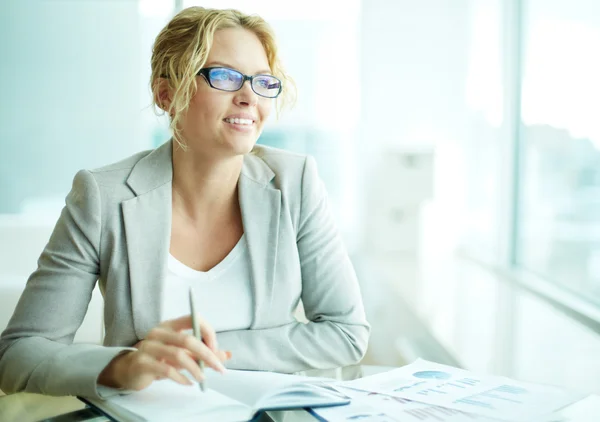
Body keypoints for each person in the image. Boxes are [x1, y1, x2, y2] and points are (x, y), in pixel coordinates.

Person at [0, 6, 370, 399]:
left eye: (263, 81)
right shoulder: (102, 196)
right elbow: (18, 355)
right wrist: (123, 365)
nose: (248, 97)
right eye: (226, 77)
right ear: (167, 94)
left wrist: (205, 353)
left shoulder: (296, 183)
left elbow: (346, 333)